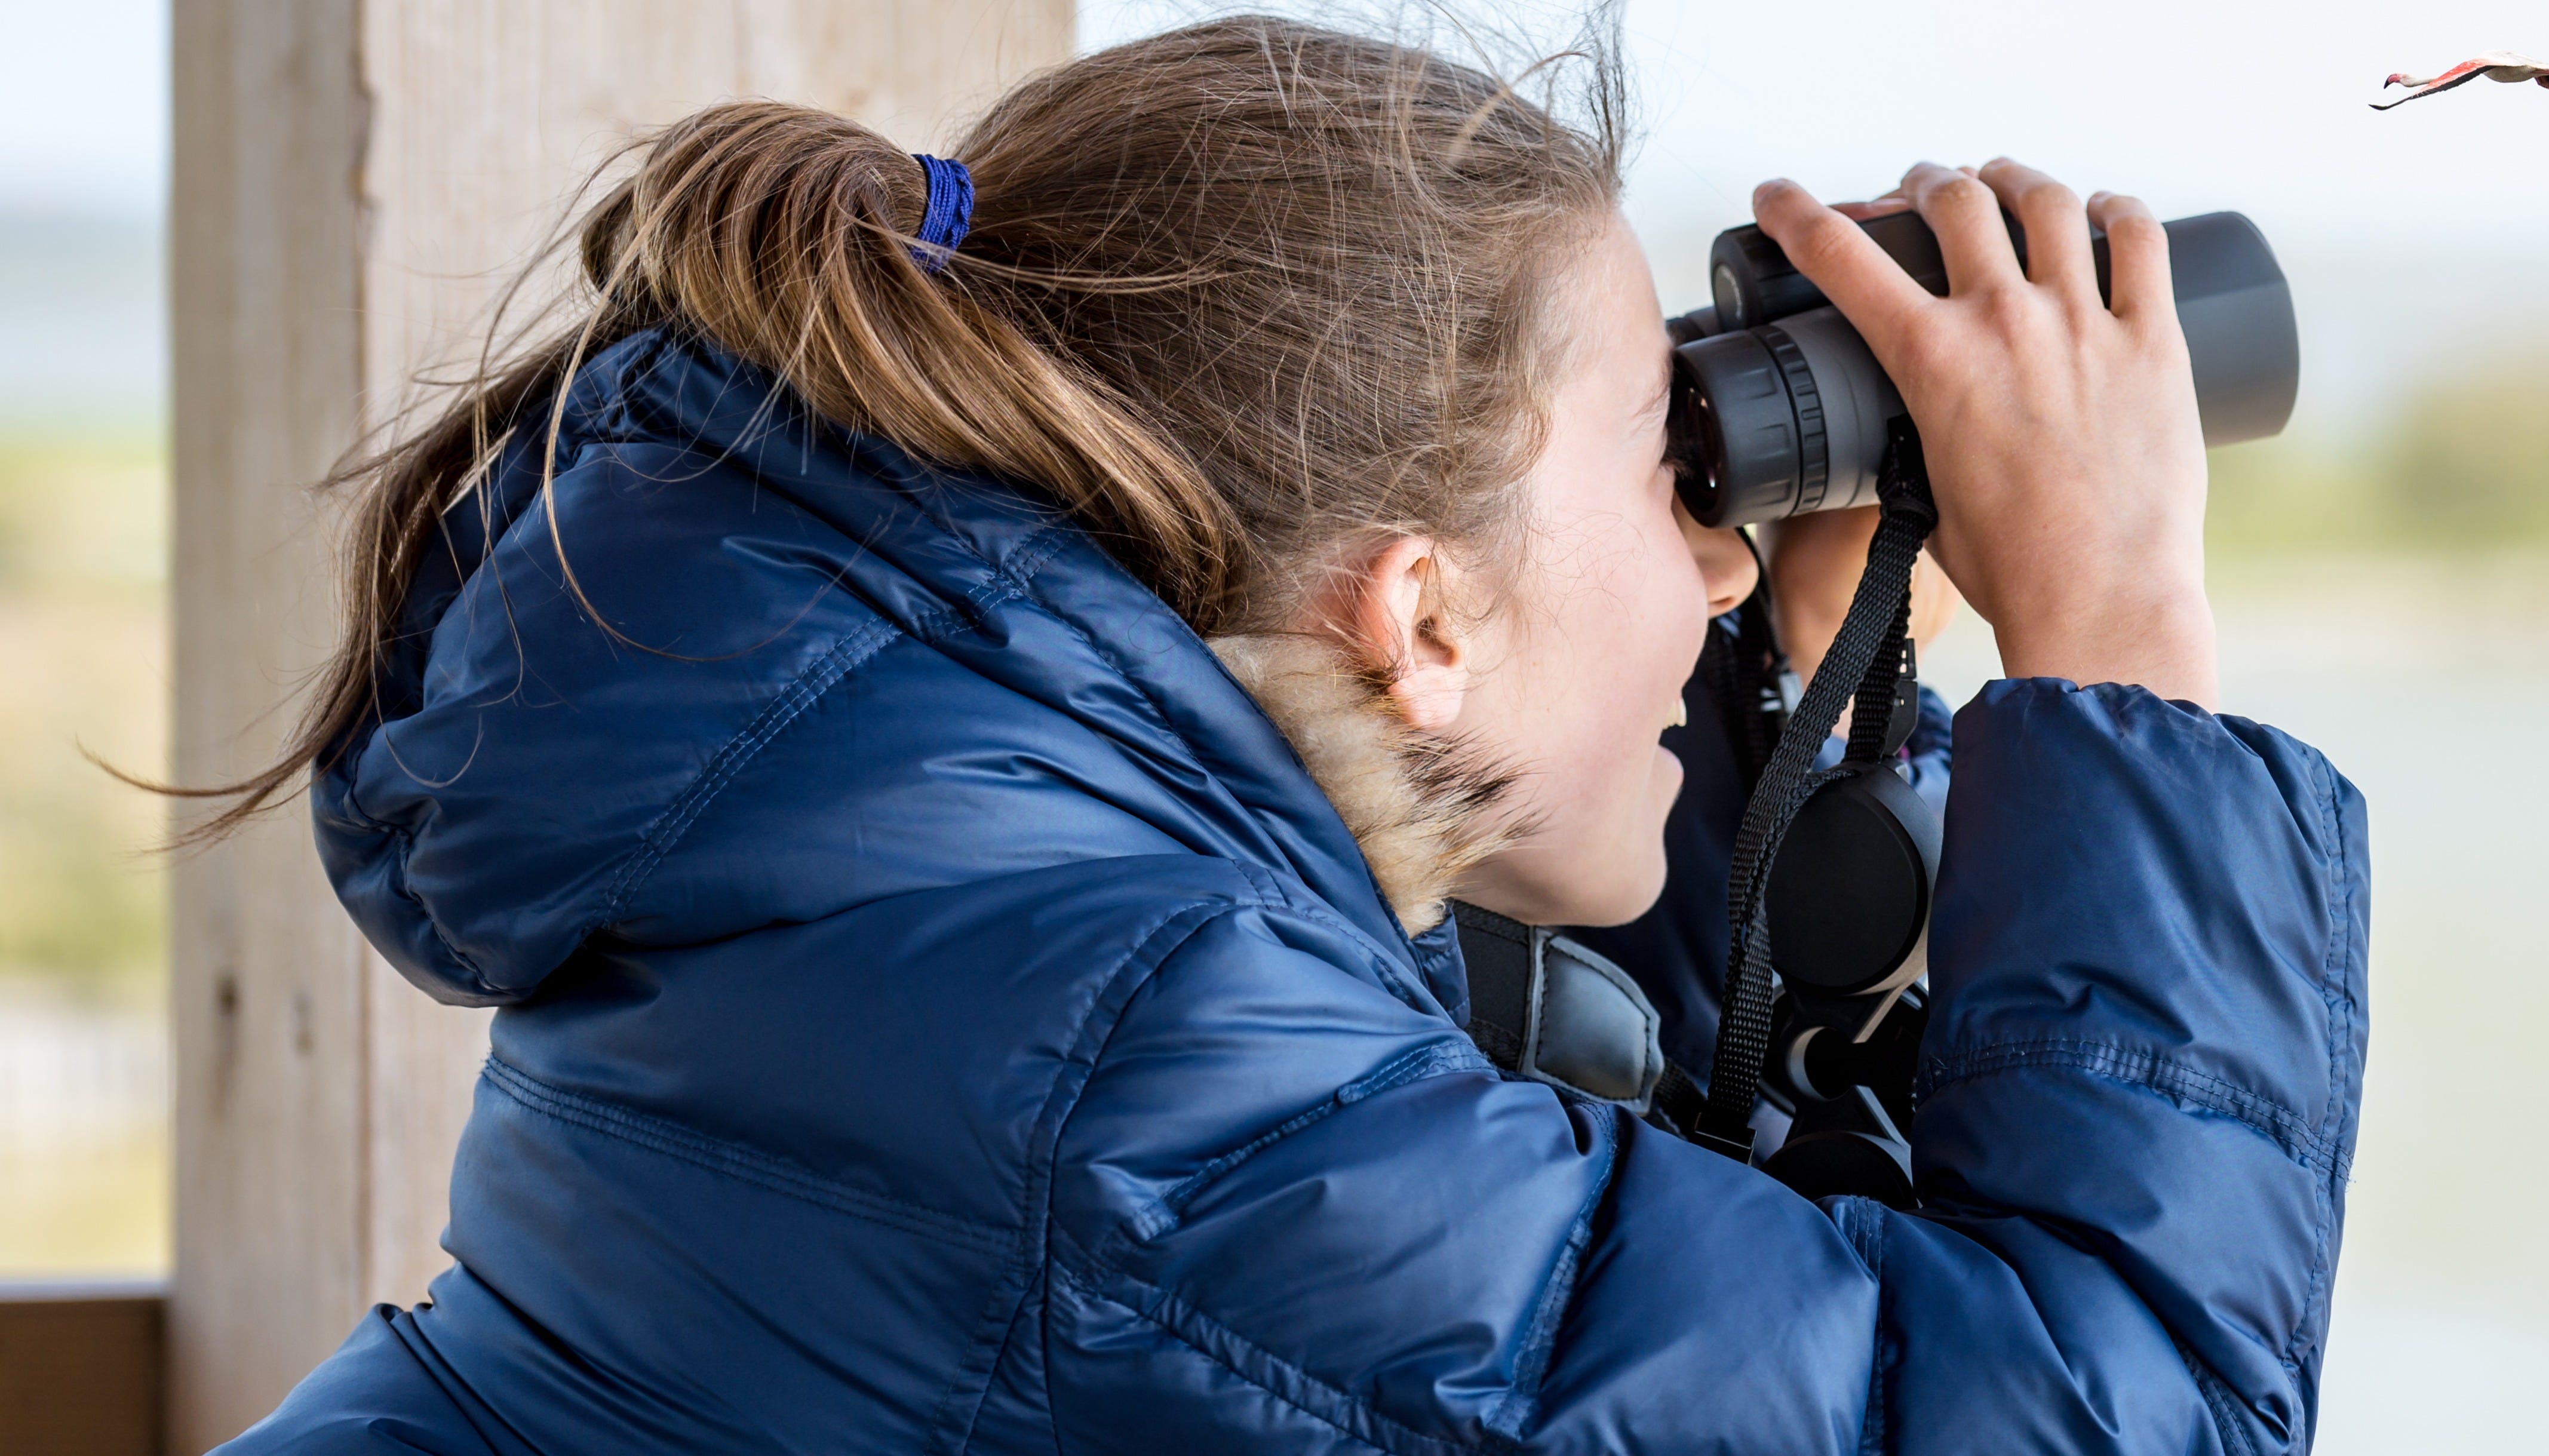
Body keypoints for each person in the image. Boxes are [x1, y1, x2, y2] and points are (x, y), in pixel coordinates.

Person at [206, 17, 2368, 1454]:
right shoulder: (1135, 1087)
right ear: (1417, 613)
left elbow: (1657, 1284)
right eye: (1665, 462)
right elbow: (2114, 1413)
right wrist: (2119, 641)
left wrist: (1812, 726)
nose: (1722, 562)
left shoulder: (941, 865)